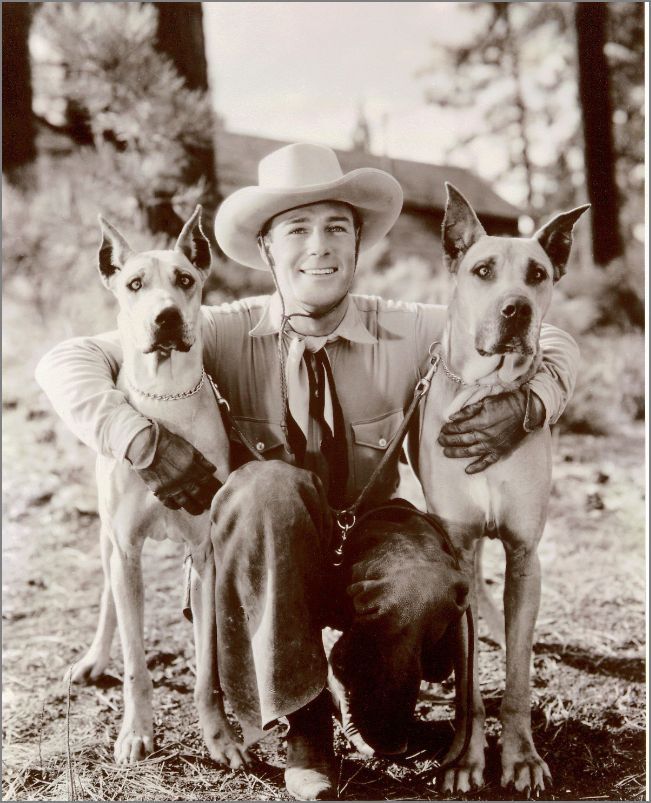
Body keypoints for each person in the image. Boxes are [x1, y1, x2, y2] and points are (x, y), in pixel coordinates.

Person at [36, 143, 579, 800]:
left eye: (336, 228)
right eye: (296, 229)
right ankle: (302, 727)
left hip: (369, 534)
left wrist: (531, 402)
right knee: (267, 484)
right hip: (272, 556)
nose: (318, 247)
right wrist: (137, 437)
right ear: (266, 250)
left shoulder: (412, 328)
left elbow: (547, 336)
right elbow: (65, 361)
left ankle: (370, 695)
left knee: (421, 571)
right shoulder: (217, 329)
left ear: (356, 244)